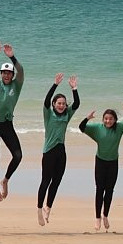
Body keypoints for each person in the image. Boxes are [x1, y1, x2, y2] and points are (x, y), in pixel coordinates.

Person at [79, 103, 123, 231]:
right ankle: (97, 217)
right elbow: (81, 128)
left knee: (109, 190)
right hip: (100, 162)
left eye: (110, 119)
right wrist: (87, 118)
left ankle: (105, 216)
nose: (108, 121)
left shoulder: (119, 127)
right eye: (106, 118)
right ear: (103, 119)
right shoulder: (97, 128)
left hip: (113, 163)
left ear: (115, 120)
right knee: (99, 190)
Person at [37, 73, 80, 226]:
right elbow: (45, 101)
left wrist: (74, 89)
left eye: (63, 103)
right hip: (48, 151)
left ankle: (48, 208)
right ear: (54, 104)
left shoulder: (67, 115)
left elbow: (76, 104)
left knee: (57, 181)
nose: (61, 105)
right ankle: (39, 210)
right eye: (58, 103)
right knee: (45, 181)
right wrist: (54, 85)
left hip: (61, 151)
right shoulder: (48, 114)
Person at [0, 41, 25, 201]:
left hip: (7, 125)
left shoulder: (17, 85)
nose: (6, 75)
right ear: (1, 74)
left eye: (9, 73)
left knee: (18, 156)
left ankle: (5, 180)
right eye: (4, 73)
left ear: (12, 75)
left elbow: (21, 70)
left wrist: (12, 57)